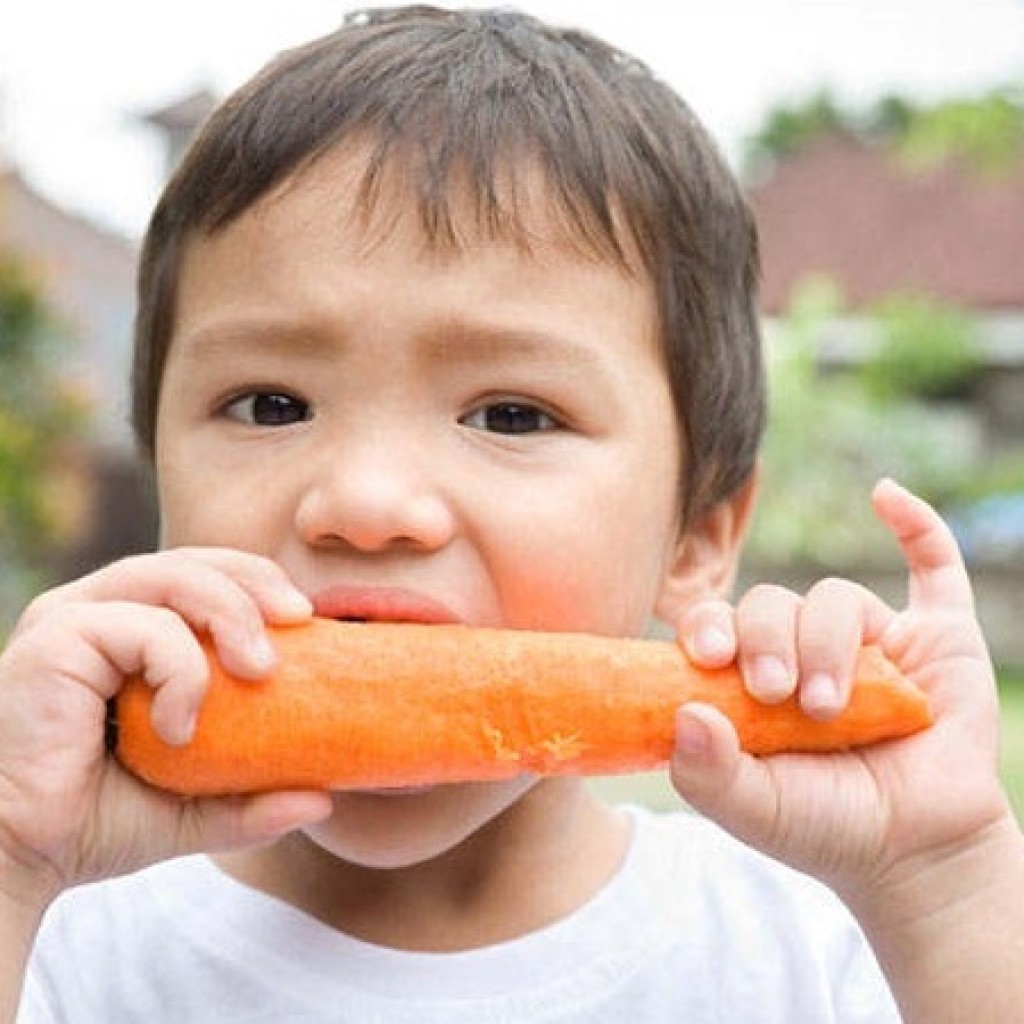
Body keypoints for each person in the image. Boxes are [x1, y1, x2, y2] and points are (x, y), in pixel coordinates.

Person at [2, 7, 1022, 1021]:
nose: (365, 504)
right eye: (271, 404)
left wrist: (943, 884)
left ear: (699, 533)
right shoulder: (60, 937)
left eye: (511, 413)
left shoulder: (815, 953)